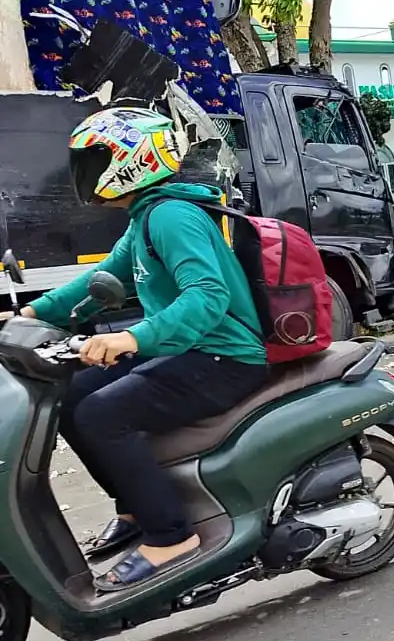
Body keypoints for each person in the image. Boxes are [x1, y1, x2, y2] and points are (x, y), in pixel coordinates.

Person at [21, 105, 271, 590]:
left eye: (95, 161)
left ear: (131, 160)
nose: (86, 175)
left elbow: (207, 295)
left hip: (225, 358)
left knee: (102, 415)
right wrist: (28, 316)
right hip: (188, 350)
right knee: (70, 395)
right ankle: (136, 507)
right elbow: (98, 282)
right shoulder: (145, 217)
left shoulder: (173, 216)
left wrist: (132, 336)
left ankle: (171, 536)